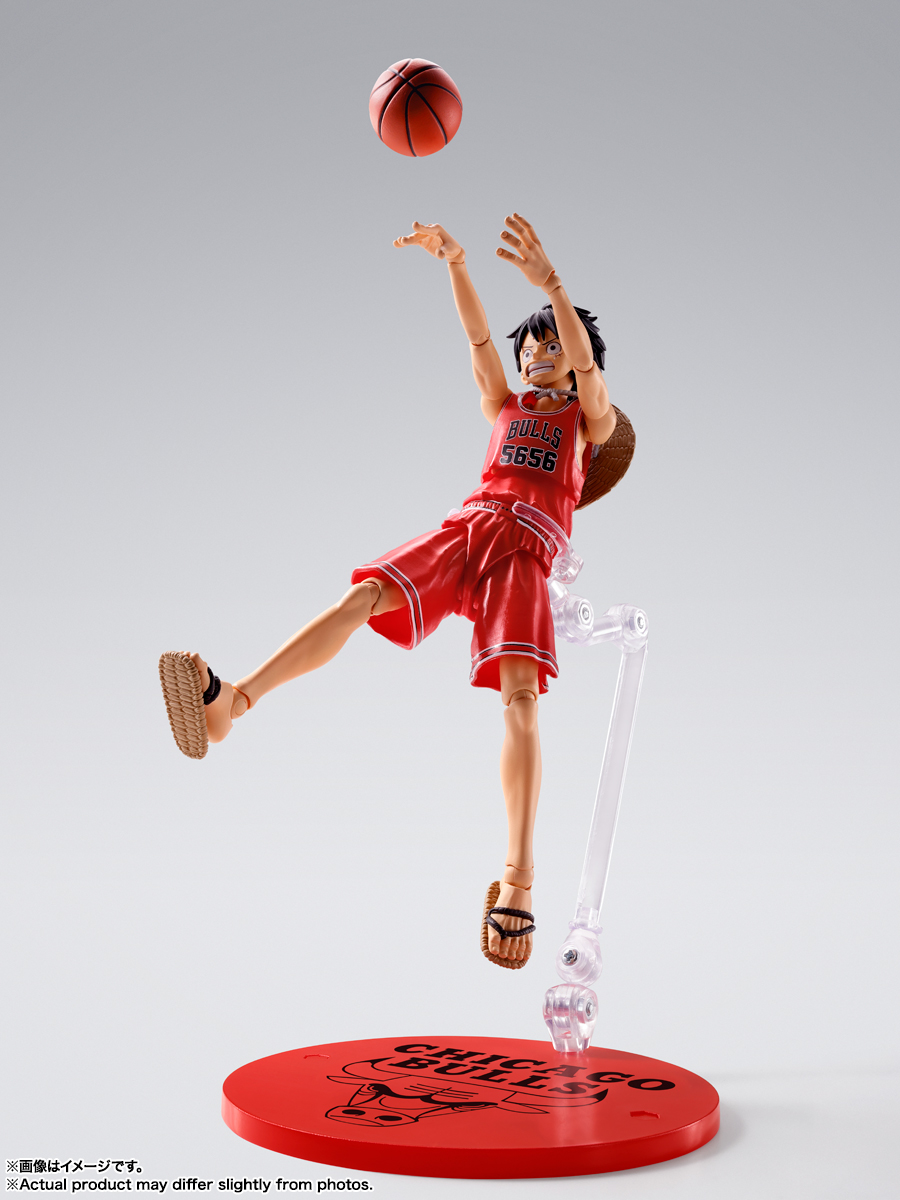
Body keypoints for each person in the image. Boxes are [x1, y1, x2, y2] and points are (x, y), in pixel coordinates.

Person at [159, 214, 616, 969]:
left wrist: (555, 286)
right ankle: (230, 704)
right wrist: (456, 263)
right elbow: (478, 342)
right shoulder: (504, 407)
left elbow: (592, 373)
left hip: (524, 551)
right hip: (469, 528)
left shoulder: (587, 419)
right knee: (362, 596)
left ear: (576, 360)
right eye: (530, 344)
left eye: (552, 344)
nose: (537, 352)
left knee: (521, 701)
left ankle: (519, 880)